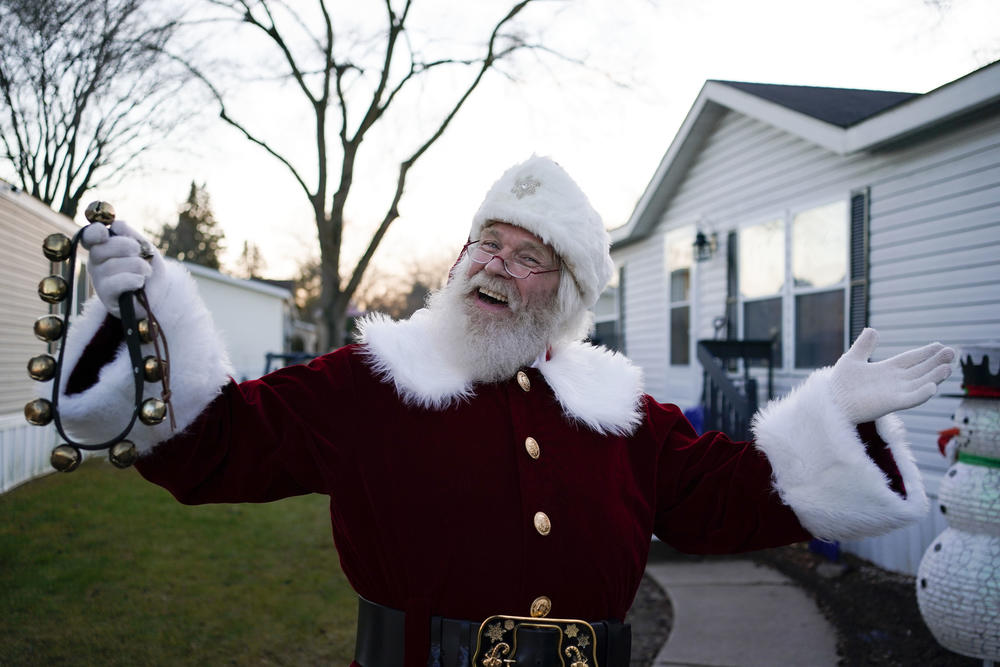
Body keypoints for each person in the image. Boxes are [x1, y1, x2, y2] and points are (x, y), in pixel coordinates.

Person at [56, 155, 954, 667]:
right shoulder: (373, 380)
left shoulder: (619, 412)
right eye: (487, 240)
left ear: (565, 295)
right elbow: (219, 443)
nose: (494, 263)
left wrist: (835, 414)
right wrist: (151, 324)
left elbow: (727, 494)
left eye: (528, 255)